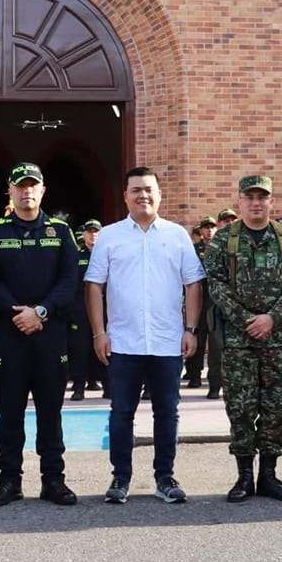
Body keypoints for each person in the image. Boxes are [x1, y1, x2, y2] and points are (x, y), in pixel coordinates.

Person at [85, 166, 205, 504]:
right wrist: (99, 333)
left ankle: (165, 477)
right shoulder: (109, 236)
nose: (143, 195)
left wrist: (191, 329)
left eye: (148, 189)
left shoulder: (177, 235)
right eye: (135, 189)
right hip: (123, 342)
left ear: (159, 193)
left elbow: (193, 283)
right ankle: (120, 477)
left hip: (168, 341)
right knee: (121, 412)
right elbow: (94, 285)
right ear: (125, 195)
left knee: (167, 412)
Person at [0, 162, 80, 507]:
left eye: (32, 185)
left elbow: (70, 281)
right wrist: (18, 313)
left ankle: (53, 480)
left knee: (51, 413)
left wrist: (41, 312)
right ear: (10, 191)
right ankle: (9, 481)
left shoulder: (61, 231)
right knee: (10, 413)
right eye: (20, 186)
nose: (26, 191)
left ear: (42, 190)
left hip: (50, 334)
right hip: (11, 334)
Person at [203, 175, 282, 503]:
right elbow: (215, 283)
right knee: (240, 407)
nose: (255, 202)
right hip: (238, 341)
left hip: (277, 340)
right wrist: (246, 319)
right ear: (240, 201)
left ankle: (269, 475)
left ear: (270, 201)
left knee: (276, 406)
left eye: (261, 197)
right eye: (249, 197)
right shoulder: (224, 240)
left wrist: (271, 318)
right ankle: (244, 476)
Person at [68, 219, 107, 400]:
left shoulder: (108, 254)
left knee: (106, 348)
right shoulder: (76, 256)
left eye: (96, 232)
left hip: (105, 308)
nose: (93, 235)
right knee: (80, 348)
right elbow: (71, 285)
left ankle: (107, 385)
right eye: (89, 232)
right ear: (83, 235)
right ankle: (78, 387)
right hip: (81, 309)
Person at [184, 216, 222, 397]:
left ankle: (215, 383)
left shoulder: (221, 249)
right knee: (196, 338)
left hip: (216, 301)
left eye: (212, 227)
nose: (209, 231)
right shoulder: (194, 250)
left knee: (215, 343)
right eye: (206, 228)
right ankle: (194, 374)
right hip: (199, 299)